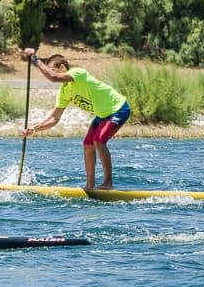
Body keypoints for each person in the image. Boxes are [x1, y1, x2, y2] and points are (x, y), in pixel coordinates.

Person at [20, 48, 131, 190]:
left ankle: (108, 183)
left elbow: (53, 77)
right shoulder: (64, 91)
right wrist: (34, 129)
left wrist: (35, 59)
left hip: (118, 109)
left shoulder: (78, 73)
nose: (49, 72)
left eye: (52, 68)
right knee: (88, 144)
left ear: (62, 67)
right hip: (103, 114)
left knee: (99, 140)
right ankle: (89, 186)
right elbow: (54, 118)